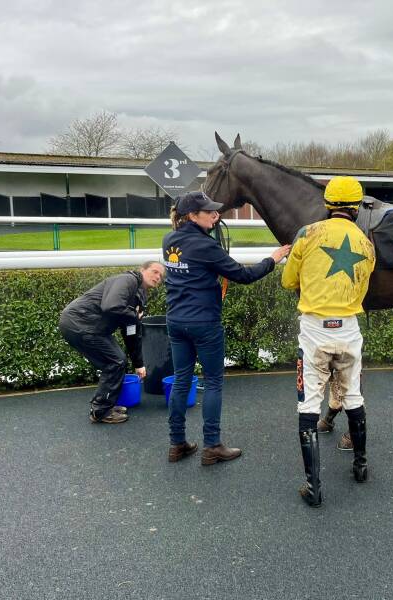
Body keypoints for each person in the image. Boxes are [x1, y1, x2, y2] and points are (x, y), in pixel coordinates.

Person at [162, 191, 290, 464]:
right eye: (209, 212)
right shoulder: (205, 246)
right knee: (213, 382)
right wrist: (273, 259)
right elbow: (243, 275)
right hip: (204, 323)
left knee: (182, 380)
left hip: (176, 321)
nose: (215, 215)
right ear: (192, 216)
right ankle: (212, 445)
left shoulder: (169, 240)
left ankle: (177, 444)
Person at [281, 176, 376, 507]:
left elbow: (288, 281)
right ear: (356, 207)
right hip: (349, 331)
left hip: (314, 333)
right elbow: (363, 286)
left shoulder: (307, 234)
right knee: (353, 396)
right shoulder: (367, 244)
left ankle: (313, 486)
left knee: (308, 404)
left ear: (328, 204)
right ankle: (361, 466)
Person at [59, 261, 166, 424]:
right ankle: (101, 411)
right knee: (116, 361)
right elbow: (111, 306)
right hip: (80, 322)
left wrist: (139, 364)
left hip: (88, 326)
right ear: (142, 270)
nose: (158, 277)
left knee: (115, 361)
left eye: (161, 275)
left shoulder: (139, 296)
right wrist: (134, 316)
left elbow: (131, 332)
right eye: (154, 271)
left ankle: (104, 405)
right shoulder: (128, 280)